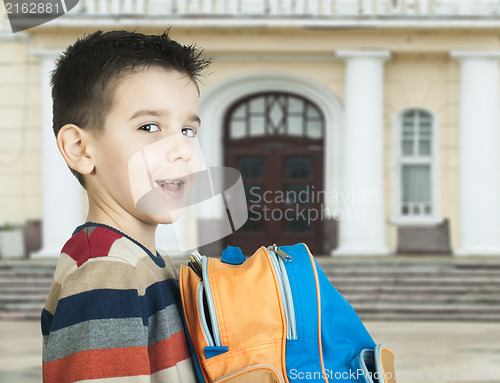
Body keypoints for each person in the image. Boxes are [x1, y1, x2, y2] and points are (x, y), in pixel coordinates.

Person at [41, 29, 211, 382]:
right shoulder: (105, 270)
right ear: (80, 149)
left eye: (188, 131)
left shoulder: (146, 259)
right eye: (150, 126)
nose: (181, 149)